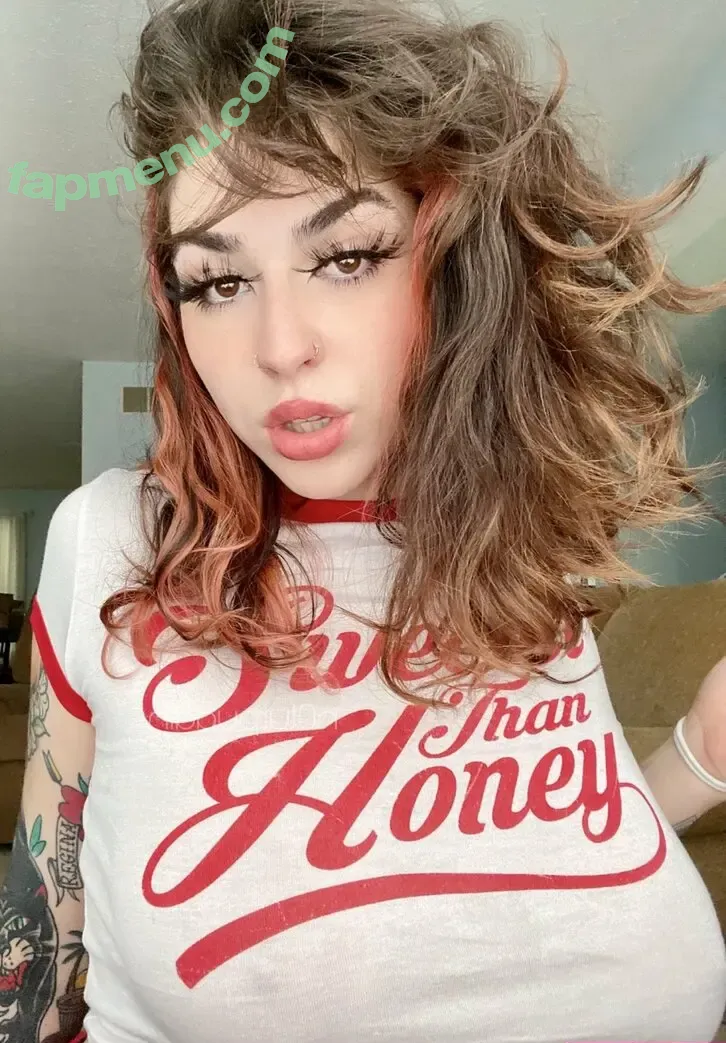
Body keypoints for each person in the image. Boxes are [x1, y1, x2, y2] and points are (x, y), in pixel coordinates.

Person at [3, 0, 726, 1040]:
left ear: (455, 260)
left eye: (346, 256)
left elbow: (526, 876)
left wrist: (696, 760)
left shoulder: (520, 550)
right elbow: (40, 930)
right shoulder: (116, 543)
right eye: (218, 279)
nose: (279, 345)